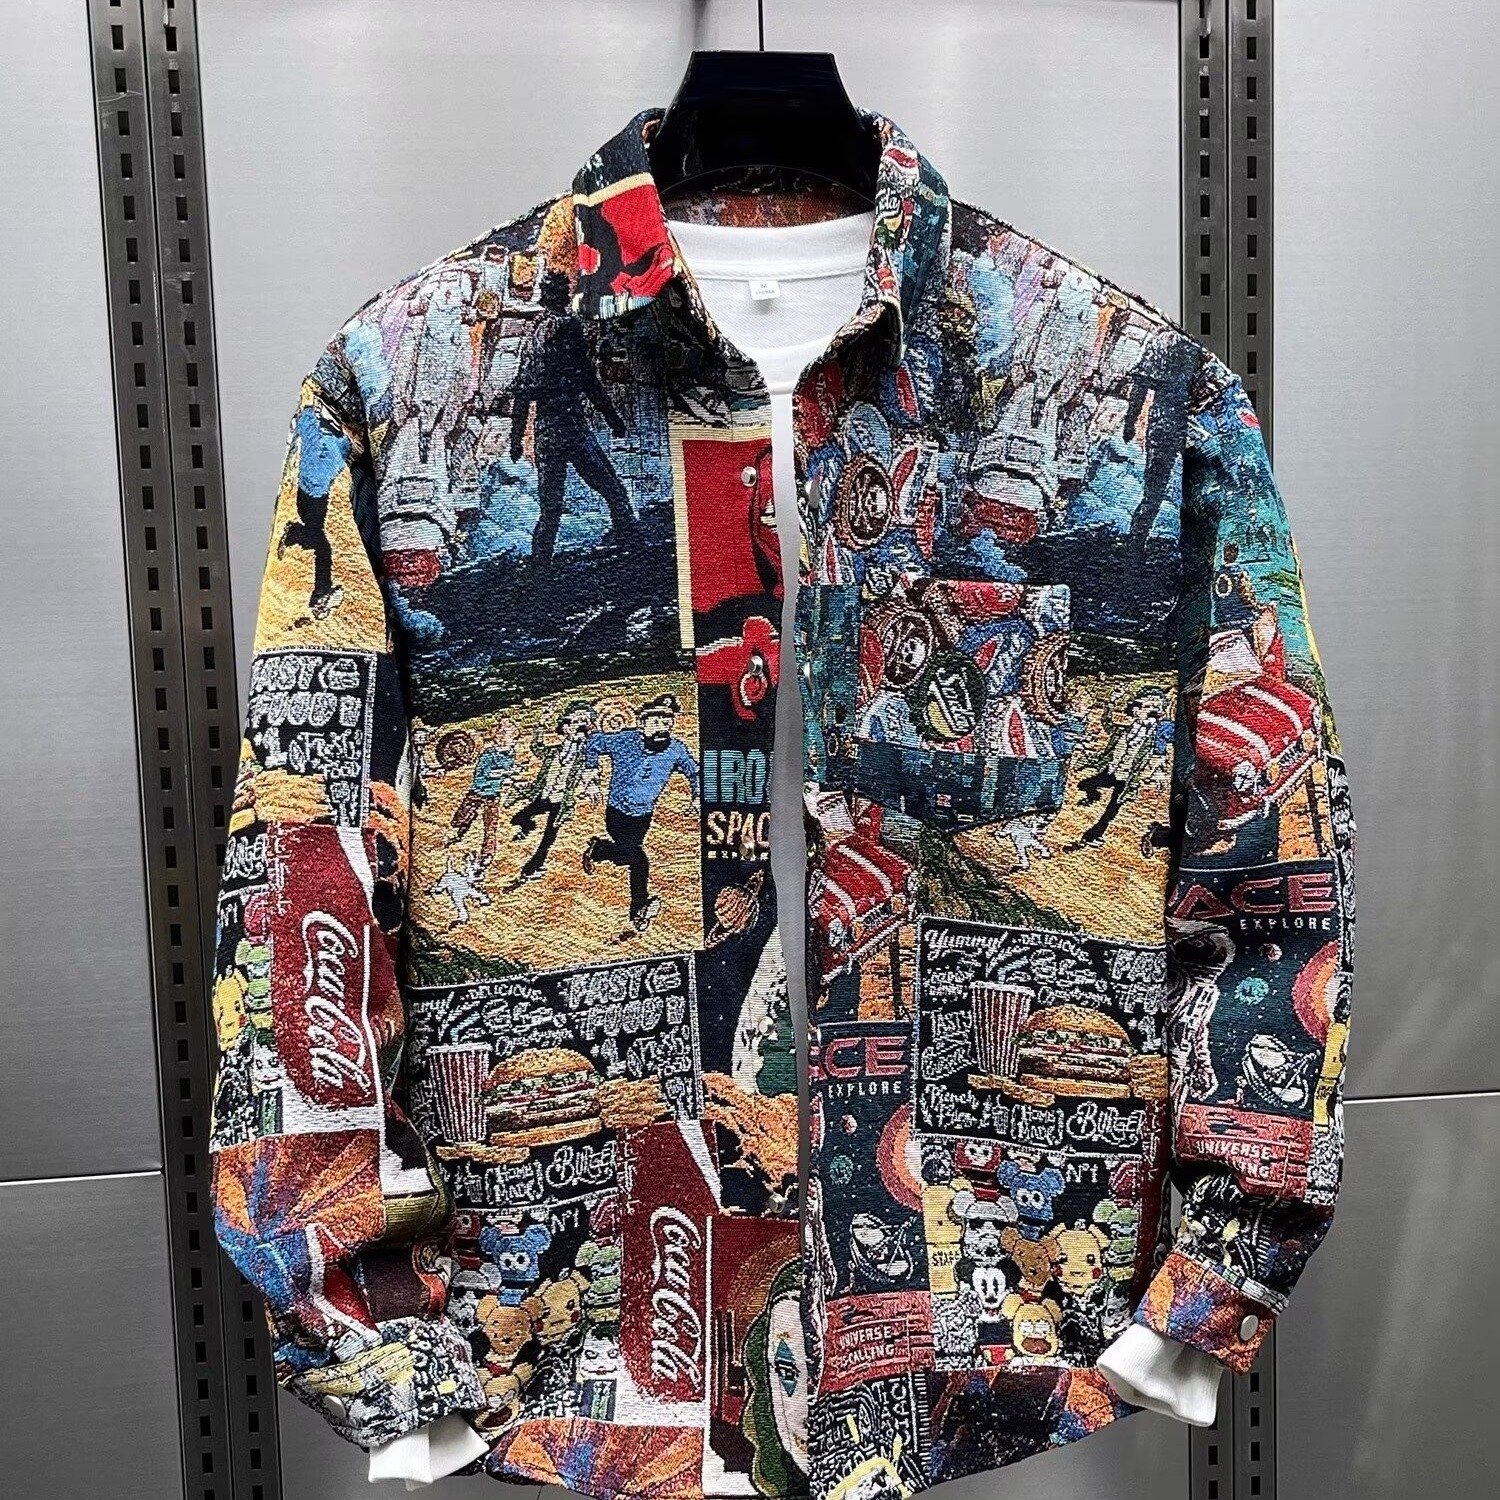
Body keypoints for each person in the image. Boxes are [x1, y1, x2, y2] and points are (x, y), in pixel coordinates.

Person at [508, 270, 639, 567]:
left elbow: (523, 391)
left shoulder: (534, 335)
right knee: (613, 490)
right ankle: (633, 547)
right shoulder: (569, 327)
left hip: (547, 432)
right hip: (572, 428)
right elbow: (588, 380)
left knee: (551, 506)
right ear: (563, 295)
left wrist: (516, 439)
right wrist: (613, 420)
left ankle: (540, 564)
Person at [581, 693, 699, 931]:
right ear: (642, 723)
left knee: (627, 854)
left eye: (667, 722)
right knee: (638, 858)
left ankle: (600, 850)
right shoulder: (624, 740)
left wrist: (697, 796)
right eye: (656, 721)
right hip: (617, 812)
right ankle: (639, 909)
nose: (663, 727)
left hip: (643, 816)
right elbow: (593, 743)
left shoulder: (676, 749)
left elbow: (694, 771)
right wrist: (591, 778)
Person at [509, 700, 596, 882]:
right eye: (575, 722)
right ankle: (527, 826)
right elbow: (536, 747)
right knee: (517, 818)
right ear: (565, 727)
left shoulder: (585, 756)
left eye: (584, 723)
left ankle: (532, 869)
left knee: (548, 838)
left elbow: (592, 771)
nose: (579, 727)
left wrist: (591, 785)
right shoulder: (554, 752)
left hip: (561, 802)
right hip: (544, 796)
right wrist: (542, 723)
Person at [448, 720, 518, 871]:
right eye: (511, 737)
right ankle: (456, 832)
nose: (513, 741)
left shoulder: (510, 753)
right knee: (463, 815)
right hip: (478, 791)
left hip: (493, 794)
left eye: (514, 738)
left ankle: (487, 853)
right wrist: (505, 774)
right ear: (500, 737)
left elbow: (508, 769)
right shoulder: (488, 754)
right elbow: (486, 773)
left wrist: (511, 775)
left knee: (491, 825)